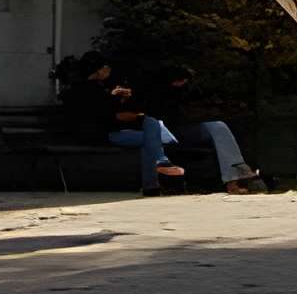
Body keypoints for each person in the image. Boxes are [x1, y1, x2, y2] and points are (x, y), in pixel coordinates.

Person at [62, 55, 185, 193]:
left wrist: (118, 99)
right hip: (101, 135)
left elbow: (106, 111)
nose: (109, 70)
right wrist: (120, 103)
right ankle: (156, 173)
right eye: (106, 67)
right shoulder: (87, 90)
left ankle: (153, 183)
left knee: (150, 134)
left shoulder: (97, 88)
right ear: (98, 70)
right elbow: (108, 115)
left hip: (108, 131)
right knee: (150, 131)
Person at [156, 64, 264, 192]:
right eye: (181, 81)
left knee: (227, 127)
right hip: (171, 130)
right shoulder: (162, 93)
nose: (183, 83)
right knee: (219, 128)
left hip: (190, 126)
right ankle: (234, 180)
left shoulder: (187, 90)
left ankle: (239, 173)